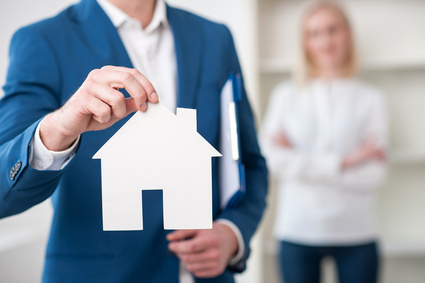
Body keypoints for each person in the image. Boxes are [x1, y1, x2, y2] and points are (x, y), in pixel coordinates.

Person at [0, 0, 268, 282]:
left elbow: (249, 162)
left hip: (205, 275)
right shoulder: (42, 41)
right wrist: (59, 127)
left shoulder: (216, 37)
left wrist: (233, 232)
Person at [261, 1, 387, 283]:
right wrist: (347, 160)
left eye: (332, 30)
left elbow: (374, 173)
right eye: (314, 33)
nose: (325, 41)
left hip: (357, 232)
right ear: (305, 42)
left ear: (347, 34)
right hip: (297, 230)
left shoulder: (371, 98)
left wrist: (298, 160)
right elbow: (270, 159)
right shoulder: (286, 95)